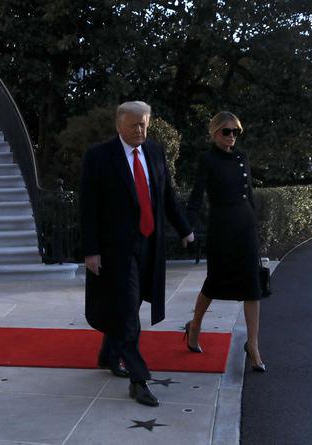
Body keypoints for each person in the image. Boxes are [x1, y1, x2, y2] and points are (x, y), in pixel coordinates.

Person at [80, 101, 194, 406]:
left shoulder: (155, 152)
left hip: (149, 246)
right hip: (116, 250)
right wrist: (91, 251)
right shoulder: (99, 157)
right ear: (119, 125)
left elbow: (166, 194)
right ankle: (139, 380)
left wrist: (184, 228)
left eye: (144, 124)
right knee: (129, 311)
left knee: (130, 305)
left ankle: (108, 354)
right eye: (134, 125)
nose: (140, 130)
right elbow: (88, 208)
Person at [184, 111, 268, 372]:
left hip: (245, 226)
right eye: (226, 131)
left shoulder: (242, 157)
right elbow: (197, 196)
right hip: (221, 228)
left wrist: (255, 227)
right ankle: (195, 325)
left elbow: (249, 194)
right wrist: (186, 226)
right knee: (214, 283)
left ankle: (252, 345)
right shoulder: (207, 159)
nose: (231, 136)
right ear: (214, 132)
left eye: (236, 132)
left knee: (252, 285)